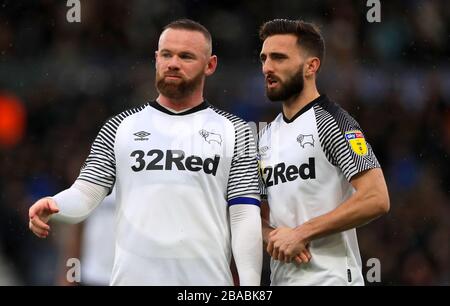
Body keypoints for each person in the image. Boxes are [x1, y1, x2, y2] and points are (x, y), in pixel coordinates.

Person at [28, 19, 262, 286]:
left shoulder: (237, 131)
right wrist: (56, 204)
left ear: (210, 65)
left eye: (186, 56)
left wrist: (250, 286)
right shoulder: (119, 127)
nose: (173, 63)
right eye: (166, 54)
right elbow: (86, 193)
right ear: (156, 59)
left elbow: (244, 215)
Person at [257, 19, 390, 285]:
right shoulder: (265, 136)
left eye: (279, 58)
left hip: (333, 278)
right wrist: (271, 236)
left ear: (311, 66)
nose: (267, 68)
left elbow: (376, 197)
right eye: (264, 58)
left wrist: (301, 233)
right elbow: (256, 214)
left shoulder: (333, 122)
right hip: (283, 280)